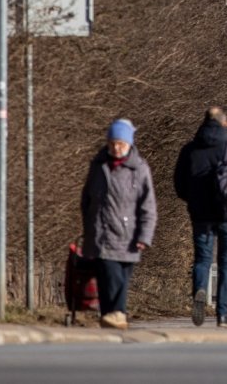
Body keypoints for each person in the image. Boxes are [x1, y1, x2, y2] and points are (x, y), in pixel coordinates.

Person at [174, 106, 227, 327]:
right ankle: (222, 313)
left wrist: (193, 201)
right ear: (225, 123)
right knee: (226, 261)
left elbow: (179, 185)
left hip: (200, 214)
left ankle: (200, 290)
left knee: (202, 258)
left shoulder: (189, 150)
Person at [79, 118, 155, 331]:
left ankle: (113, 315)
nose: (116, 148)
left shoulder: (139, 169)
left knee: (121, 278)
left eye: (121, 143)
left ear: (129, 144)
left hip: (129, 234)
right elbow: (86, 199)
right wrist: (89, 226)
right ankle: (114, 315)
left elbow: (148, 206)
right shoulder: (98, 165)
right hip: (102, 234)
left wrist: (144, 236)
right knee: (107, 275)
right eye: (113, 143)